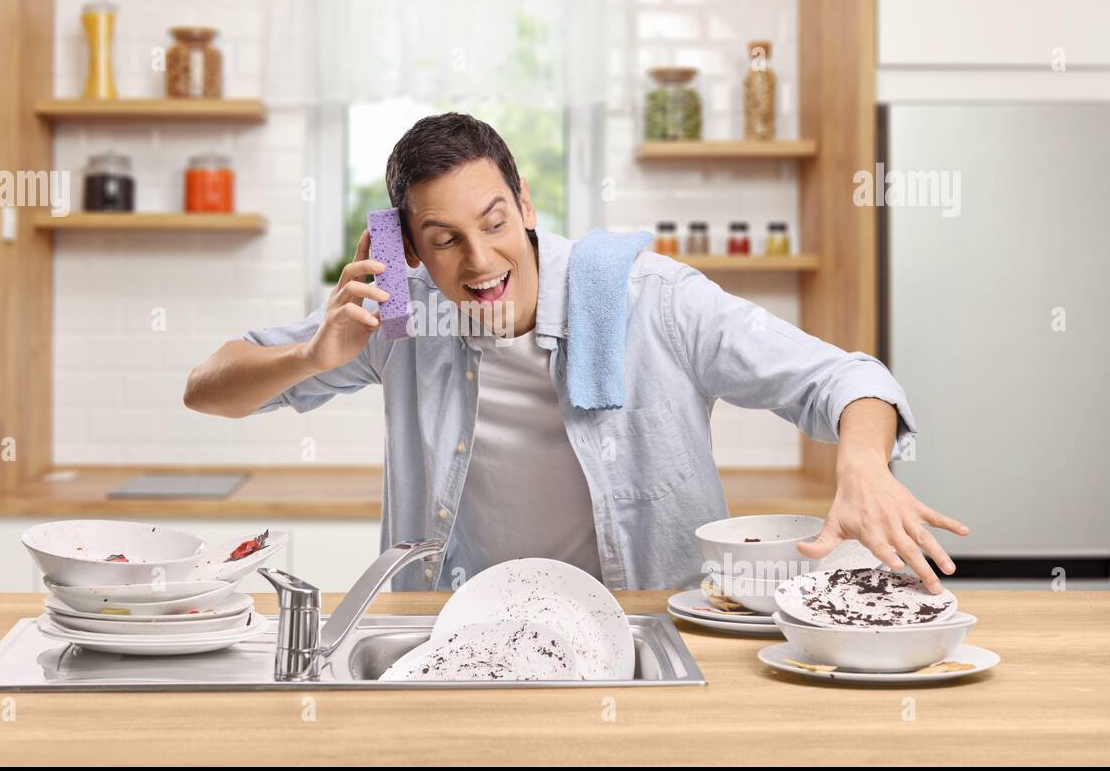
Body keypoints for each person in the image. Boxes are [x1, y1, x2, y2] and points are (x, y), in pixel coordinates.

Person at [184, 113, 968, 593]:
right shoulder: (400, 323)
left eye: (494, 222)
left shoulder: (650, 300)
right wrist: (315, 354)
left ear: (526, 205)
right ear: (411, 254)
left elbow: (846, 378)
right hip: (462, 628)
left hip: (643, 624)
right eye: (444, 239)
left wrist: (862, 465)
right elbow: (207, 389)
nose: (480, 259)